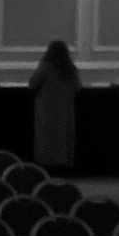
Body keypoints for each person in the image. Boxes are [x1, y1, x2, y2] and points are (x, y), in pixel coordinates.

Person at [29, 39, 82, 172]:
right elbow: (78, 87)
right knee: (63, 139)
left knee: (46, 140)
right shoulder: (70, 68)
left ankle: (47, 168)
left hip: (46, 110)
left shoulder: (46, 66)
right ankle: (63, 167)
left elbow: (33, 83)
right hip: (65, 110)